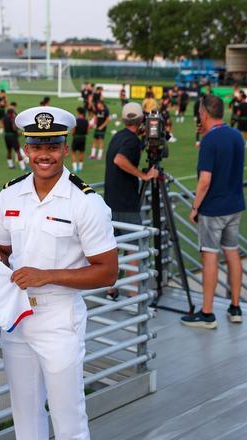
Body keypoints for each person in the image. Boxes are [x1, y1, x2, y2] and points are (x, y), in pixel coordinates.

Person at [0, 106, 119, 440]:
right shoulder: (8, 195)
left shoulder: (85, 202)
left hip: (59, 318)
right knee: (25, 413)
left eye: (52, 146)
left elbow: (107, 272)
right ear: (25, 149)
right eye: (36, 146)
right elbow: (1, 250)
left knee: (67, 416)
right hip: (17, 317)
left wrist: (46, 275)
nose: (43, 155)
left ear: (65, 148)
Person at [181, 95, 245, 329]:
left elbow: (204, 181)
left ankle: (207, 313)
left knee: (209, 257)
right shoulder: (236, 135)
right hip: (235, 205)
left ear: (204, 114)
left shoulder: (209, 140)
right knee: (232, 253)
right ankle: (235, 307)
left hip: (213, 208)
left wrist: (195, 207)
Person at [103, 102, 159, 300]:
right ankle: (133, 296)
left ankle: (111, 290)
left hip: (110, 202)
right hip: (126, 204)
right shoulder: (132, 141)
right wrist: (143, 176)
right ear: (141, 120)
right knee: (134, 250)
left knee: (112, 249)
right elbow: (120, 160)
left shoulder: (118, 136)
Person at [71, 106, 89, 173]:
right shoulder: (86, 121)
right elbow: (87, 132)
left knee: (73, 152)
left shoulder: (76, 120)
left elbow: (74, 131)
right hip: (83, 138)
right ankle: (80, 168)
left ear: (78, 112)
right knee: (81, 152)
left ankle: (75, 168)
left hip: (76, 137)